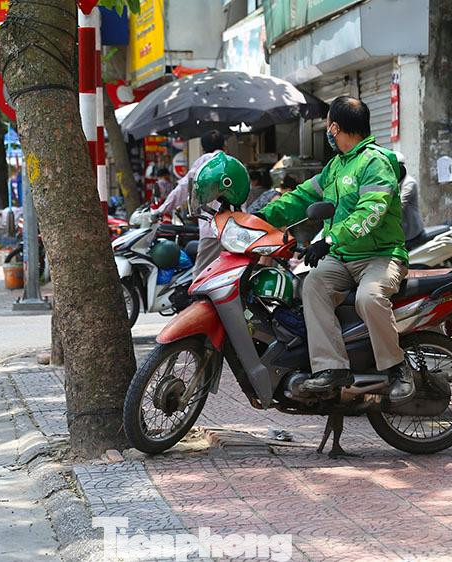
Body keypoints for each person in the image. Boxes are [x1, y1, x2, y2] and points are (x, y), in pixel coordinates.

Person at [256, 96, 414, 402]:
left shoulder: (375, 163)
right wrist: (261, 217)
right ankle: (332, 369)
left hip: (381, 256)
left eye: (329, 125)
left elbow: (370, 213)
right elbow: (301, 197)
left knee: (369, 298)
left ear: (336, 127)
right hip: (343, 258)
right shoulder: (335, 167)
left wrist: (328, 240)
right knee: (311, 285)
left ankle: (397, 367)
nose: (328, 131)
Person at [152, 130, 228, 276]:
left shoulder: (204, 161)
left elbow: (182, 189)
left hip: (213, 229)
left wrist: (160, 210)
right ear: (224, 146)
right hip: (236, 229)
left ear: (202, 148)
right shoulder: (233, 162)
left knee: (200, 276)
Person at [395, 152, 427, 250]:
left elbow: (399, 205)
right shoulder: (394, 182)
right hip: (400, 231)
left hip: (411, 231)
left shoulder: (409, 183)